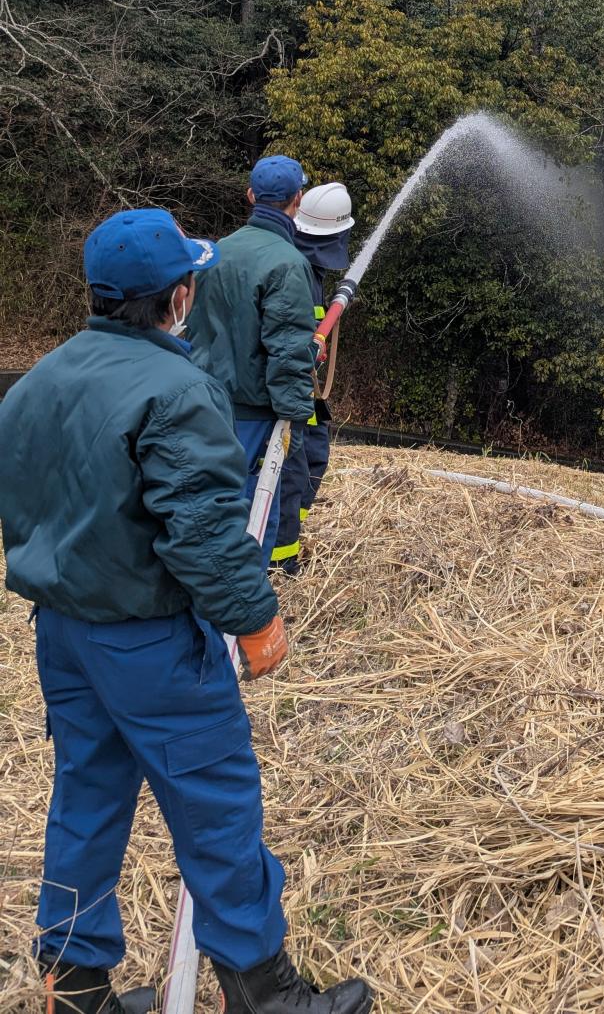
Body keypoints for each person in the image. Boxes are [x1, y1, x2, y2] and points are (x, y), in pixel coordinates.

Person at [0, 209, 372, 1014]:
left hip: (62, 637)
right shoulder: (178, 391)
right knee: (217, 805)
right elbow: (202, 531)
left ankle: (76, 989)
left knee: (86, 799)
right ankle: (264, 993)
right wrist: (257, 619)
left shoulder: (37, 382)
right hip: (151, 645)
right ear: (178, 297)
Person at [186, 156, 317, 563]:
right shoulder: (289, 264)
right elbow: (288, 353)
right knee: (253, 515)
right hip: (255, 415)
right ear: (299, 198)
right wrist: (294, 420)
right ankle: (241, 617)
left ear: (250, 196)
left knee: (210, 508)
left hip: (205, 404)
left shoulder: (216, 254)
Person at [271, 183, 355, 576]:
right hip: (286, 390)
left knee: (314, 455)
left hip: (302, 387)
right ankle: (280, 557)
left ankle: (293, 532)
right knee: (290, 470)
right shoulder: (293, 269)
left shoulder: (310, 269)